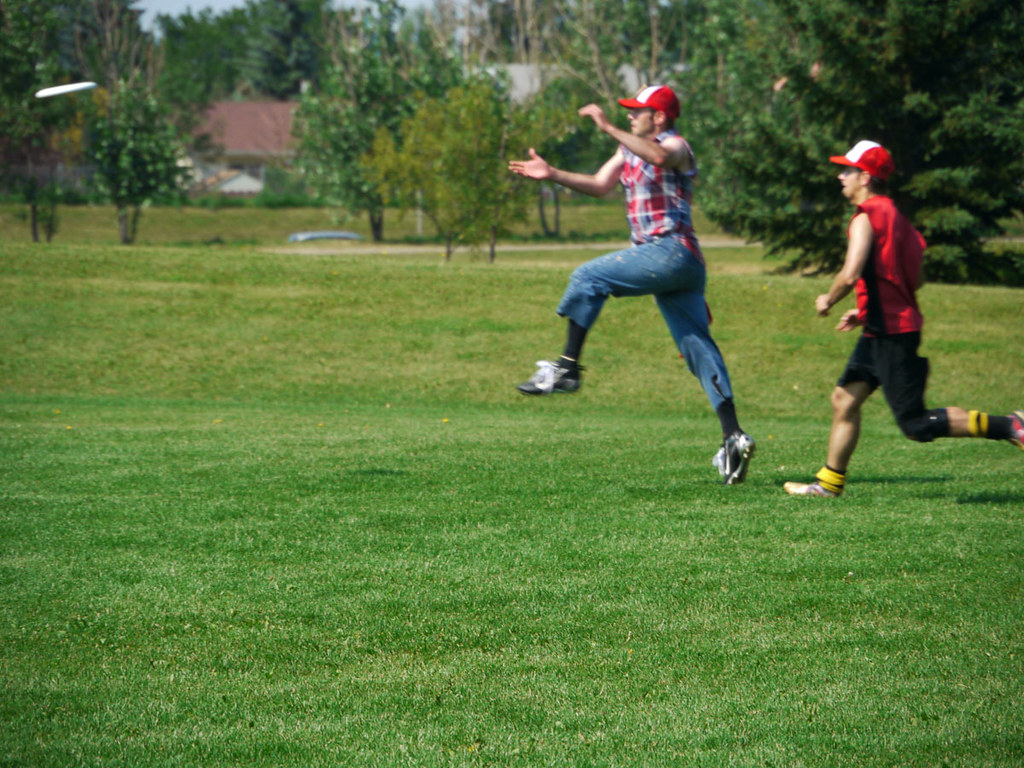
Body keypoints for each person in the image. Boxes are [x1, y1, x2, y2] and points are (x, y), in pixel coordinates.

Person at [508, 85, 755, 485]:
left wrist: (605, 127)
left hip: (672, 251)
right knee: (697, 348)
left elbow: (658, 155)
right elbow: (600, 184)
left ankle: (567, 368)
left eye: (636, 110)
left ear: (658, 118)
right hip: (675, 263)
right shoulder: (627, 150)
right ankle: (733, 437)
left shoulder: (675, 144)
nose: (628, 116)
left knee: (588, 277)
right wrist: (552, 174)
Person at [784, 140, 1024, 497]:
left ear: (865, 177)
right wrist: (865, 312)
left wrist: (828, 299)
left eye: (847, 170)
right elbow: (916, 276)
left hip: (892, 333)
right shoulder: (896, 216)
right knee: (844, 399)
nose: (840, 175)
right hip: (883, 328)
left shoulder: (866, 216)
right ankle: (829, 484)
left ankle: (1011, 425)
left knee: (915, 424)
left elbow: (850, 274)